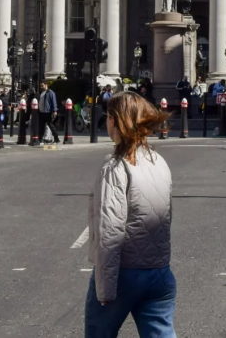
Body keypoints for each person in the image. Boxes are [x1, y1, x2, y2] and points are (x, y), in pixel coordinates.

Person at [86, 91, 175, 338]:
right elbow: (165, 217)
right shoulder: (159, 161)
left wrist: (104, 290)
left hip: (124, 273)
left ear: (115, 121)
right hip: (159, 272)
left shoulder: (115, 168)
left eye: (107, 116)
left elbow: (110, 233)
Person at [37, 80, 58, 145]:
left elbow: (54, 102)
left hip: (47, 112)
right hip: (41, 112)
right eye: (40, 85)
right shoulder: (42, 92)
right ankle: (40, 139)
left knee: (51, 125)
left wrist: (54, 111)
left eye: (42, 85)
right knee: (41, 126)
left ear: (46, 85)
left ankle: (56, 138)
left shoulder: (51, 93)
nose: (41, 87)